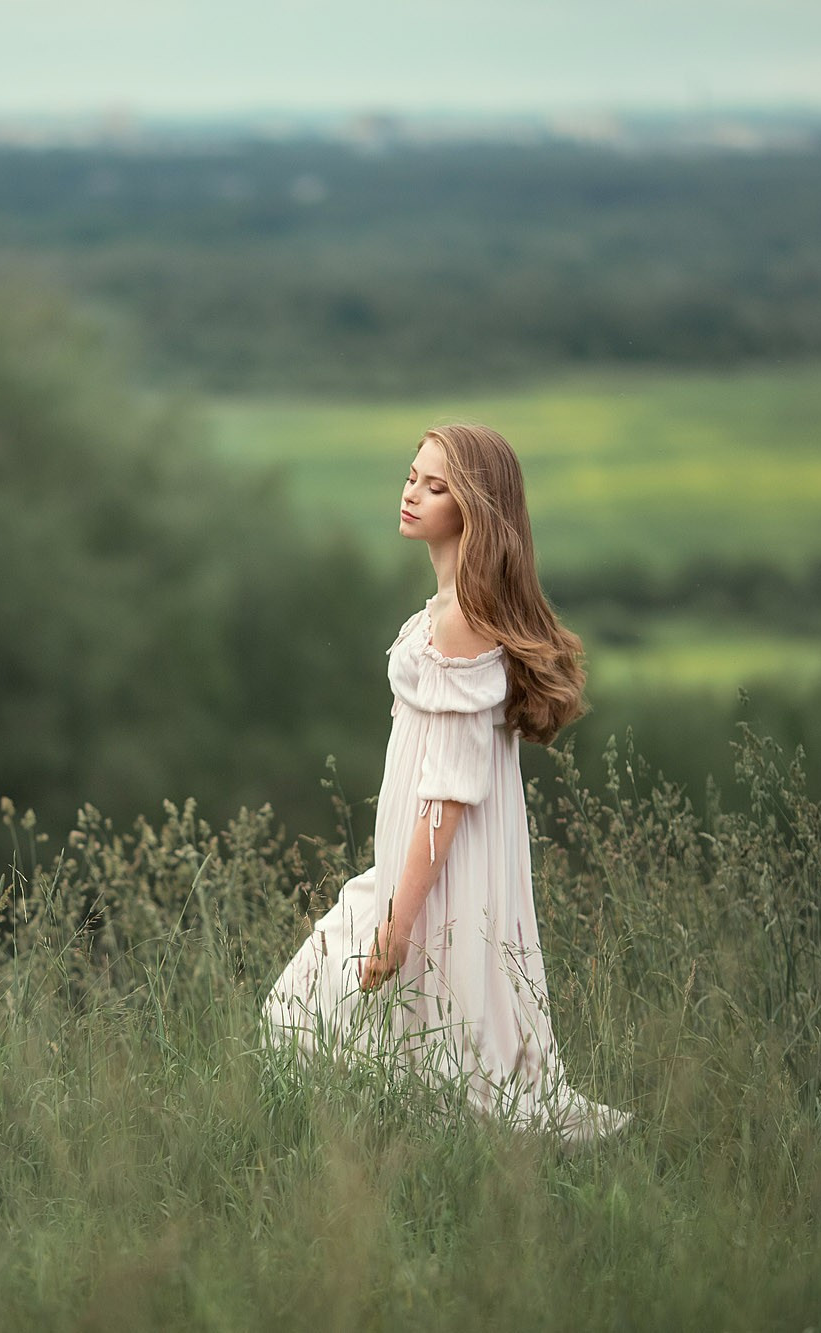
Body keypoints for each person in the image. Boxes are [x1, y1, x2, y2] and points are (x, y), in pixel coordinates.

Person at [260, 422, 631, 1146]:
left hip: (442, 865)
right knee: (362, 1026)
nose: (412, 494)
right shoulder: (451, 606)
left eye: (436, 486)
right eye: (412, 476)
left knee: (329, 1018)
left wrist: (398, 920)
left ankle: (459, 1174)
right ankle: (409, 1162)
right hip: (420, 858)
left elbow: (449, 793)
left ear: (475, 508)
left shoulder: (464, 620)